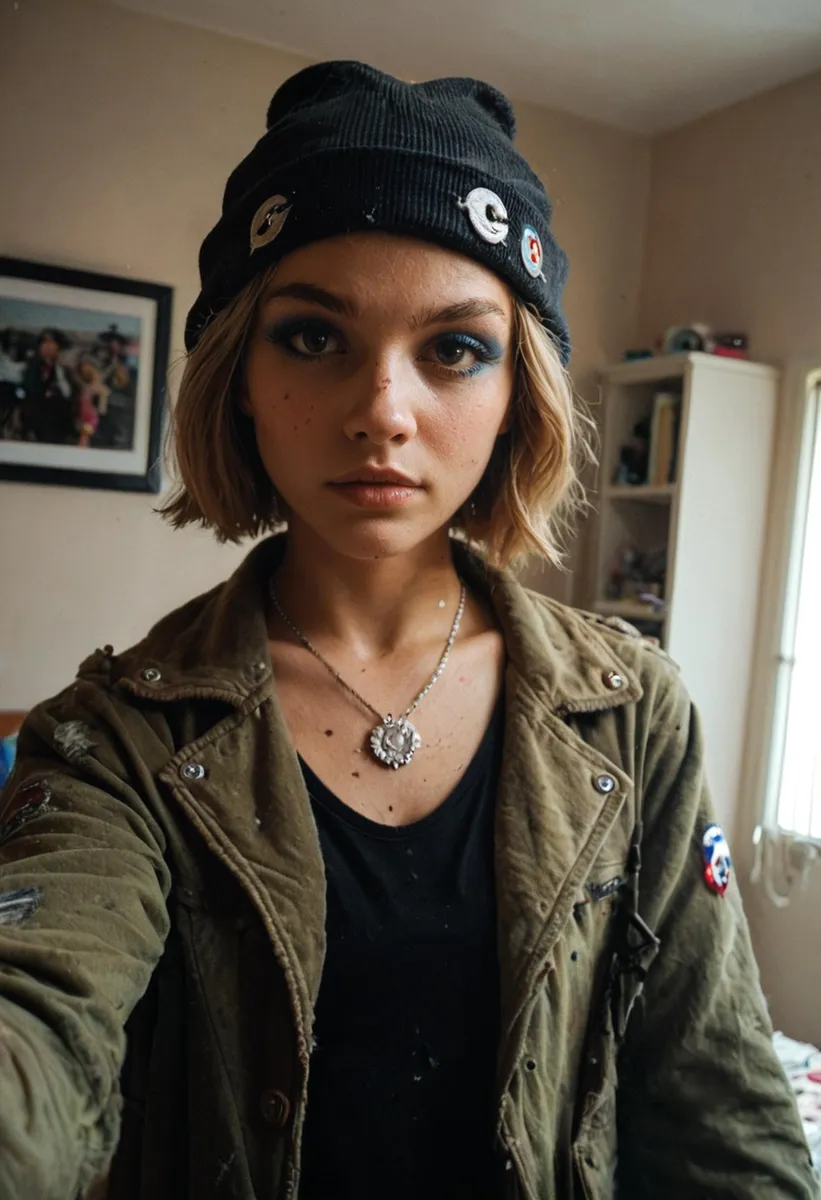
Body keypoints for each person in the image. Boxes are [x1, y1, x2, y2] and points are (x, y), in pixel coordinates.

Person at [0, 61, 816, 1200]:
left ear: (513, 393)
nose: (383, 408)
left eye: (453, 349)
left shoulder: (632, 721)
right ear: (238, 373)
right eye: (312, 337)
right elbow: (38, 1026)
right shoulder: (116, 743)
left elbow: (720, 1112)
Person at [19, 327, 75, 443]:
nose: (47, 347)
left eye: (51, 343)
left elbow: (68, 394)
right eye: (44, 343)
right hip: (34, 413)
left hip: (57, 418)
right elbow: (26, 388)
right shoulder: (31, 367)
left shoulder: (63, 370)